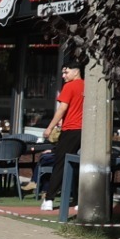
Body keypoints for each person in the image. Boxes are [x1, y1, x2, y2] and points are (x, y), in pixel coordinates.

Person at [41, 62, 85, 211]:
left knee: (60, 164)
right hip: (85, 132)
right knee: (81, 165)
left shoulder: (69, 87)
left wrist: (49, 127)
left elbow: (62, 109)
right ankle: (79, 200)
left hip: (71, 129)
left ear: (76, 71)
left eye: (66, 72)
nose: (63, 76)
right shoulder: (88, 86)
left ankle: (49, 199)